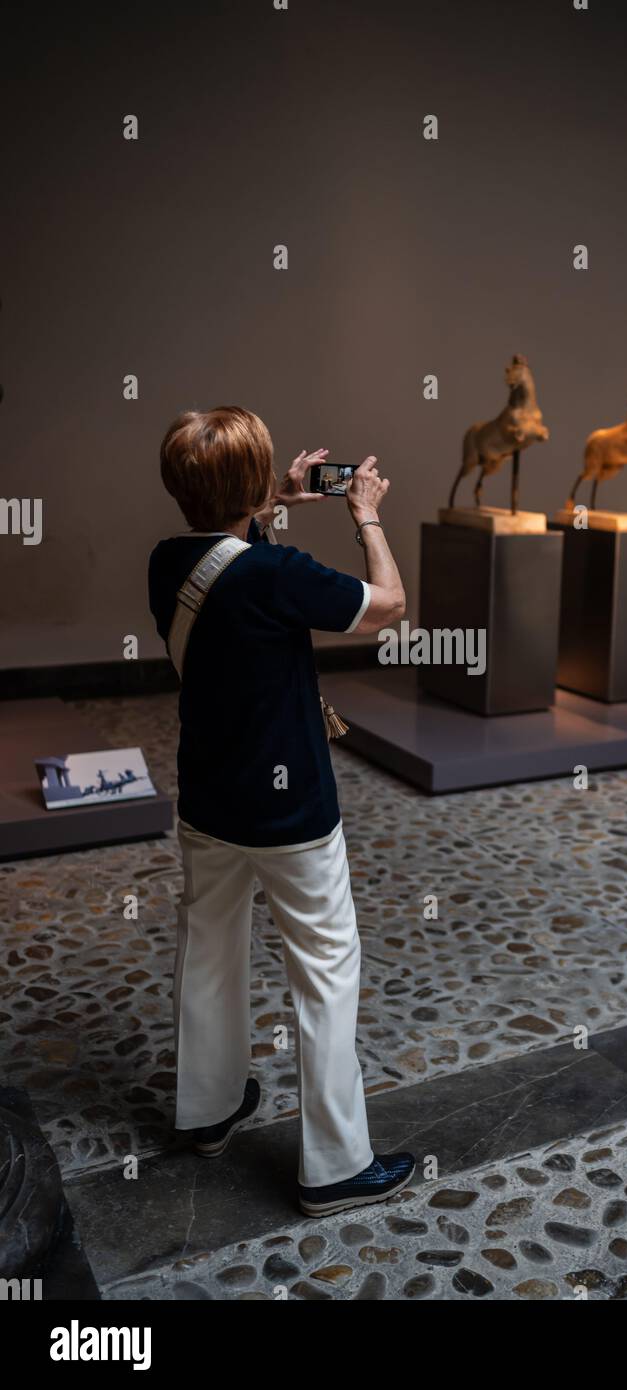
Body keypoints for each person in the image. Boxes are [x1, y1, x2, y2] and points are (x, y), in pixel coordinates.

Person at [148, 405, 414, 1216]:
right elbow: (388, 606)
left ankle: (207, 1109)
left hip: (210, 796)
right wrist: (365, 515)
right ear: (253, 483)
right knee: (326, 970)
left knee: (209, 950)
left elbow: (230, 564)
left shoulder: (167, 562)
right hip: (291, 807)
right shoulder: (279, 572)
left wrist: (273, 503)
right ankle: (334, 1164)